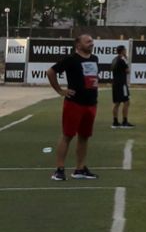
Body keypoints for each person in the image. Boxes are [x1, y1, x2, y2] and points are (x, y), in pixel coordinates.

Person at [48, 33, 100, 181]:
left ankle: (80, 169)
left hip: (91, 104)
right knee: (67, 135)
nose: (91, 43)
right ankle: (59, 169)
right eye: (88, 41)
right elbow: (51, 72)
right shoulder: (71, 59)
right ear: (78, 45)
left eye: (92, 40)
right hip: (74, 103)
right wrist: (60, 90)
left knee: (84, 137)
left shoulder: (95, 59)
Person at [109, 46, 133, 128]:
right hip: (122, 84)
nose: (126, 51)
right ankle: (124, 122)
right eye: (125, 50)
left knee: (117, 103)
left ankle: (115, 122)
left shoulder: (114, 60)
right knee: (126, 102)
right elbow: (128, 71)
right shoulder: (122, 60)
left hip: (115, 83)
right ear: (122, 51)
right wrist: (126, 60)